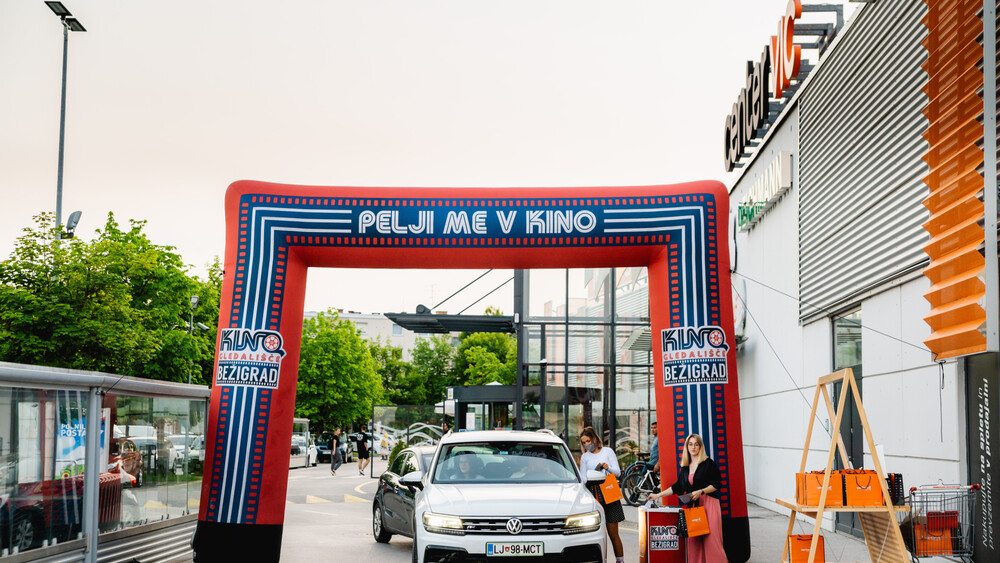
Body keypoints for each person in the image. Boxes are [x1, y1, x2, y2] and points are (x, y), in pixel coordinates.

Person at [648, 433, 727, 563]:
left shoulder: (708, 463)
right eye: (690, 444)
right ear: (686, 447)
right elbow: (677, 487)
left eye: (696, 444)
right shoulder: (685, 467)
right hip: (694, 508)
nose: (693, 447)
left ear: (700, 447)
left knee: (712, 542)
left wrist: (701, 491)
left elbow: (717, 484)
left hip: (709, 504)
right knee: (693, 542)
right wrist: (657, 495)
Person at [579, 426, 625, 563]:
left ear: (594, 438)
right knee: (595, 534)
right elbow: (583, 478)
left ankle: (620, 560)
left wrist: (607, 467)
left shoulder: (607, 451)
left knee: (613, 534)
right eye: (584, 443)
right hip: (593, 494)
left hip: (608, 492)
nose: (587, 444)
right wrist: (593, 471)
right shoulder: (584, 457)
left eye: (588, 441)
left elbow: (618, 473)